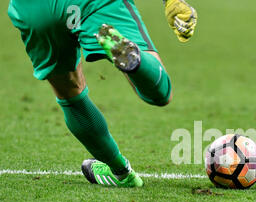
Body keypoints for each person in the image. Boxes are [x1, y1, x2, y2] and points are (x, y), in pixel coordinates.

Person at [8, 0, 197, 187]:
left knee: (69, 94)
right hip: (91, 3)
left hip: (34, 10)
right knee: (161, 94)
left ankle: (121, 173)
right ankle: (135, 60)